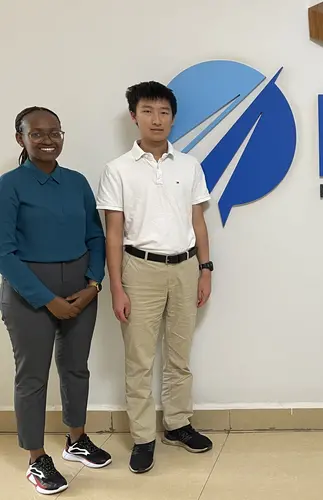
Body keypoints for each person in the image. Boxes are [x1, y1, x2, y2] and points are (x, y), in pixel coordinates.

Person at [95, 81, 214, 475]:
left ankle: (178, 424)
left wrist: (205, 268)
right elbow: (113, 233)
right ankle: (143, 437)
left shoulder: (190, 165)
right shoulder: (118, 170)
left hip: (184, 267)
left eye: (164, 112)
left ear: (173, 117)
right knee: (140, 360)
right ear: (134, 116)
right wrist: (116, 286)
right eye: (148, 111)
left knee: (180, 356)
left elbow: (198, 221)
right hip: (138, 269)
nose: (156, 119)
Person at [0, 107, 111, 495]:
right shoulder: (9, 185)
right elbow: (3, 252)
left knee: (76, 368)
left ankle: (76, 439)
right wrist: (48, 300)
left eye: (54, 132)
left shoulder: (76, 182)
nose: (47, 140)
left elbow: (96, 237)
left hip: (81, 288)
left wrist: (94, 283)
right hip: (30, 293)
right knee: (32, 378)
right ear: (21, 139)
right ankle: (35, 458)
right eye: (37, 134)